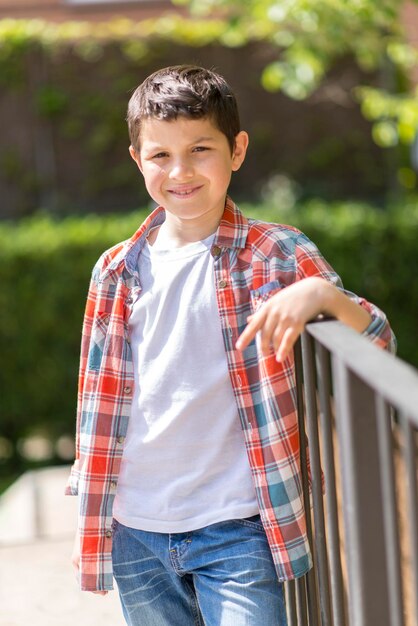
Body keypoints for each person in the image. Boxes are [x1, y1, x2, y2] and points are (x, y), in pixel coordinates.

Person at [67, 65, 395, 626]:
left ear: (237, 149)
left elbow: (377, 338)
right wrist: (94, 518)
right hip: (137, 529)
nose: (181, 171)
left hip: (238, 525)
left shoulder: (278, 253)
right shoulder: (116, 270)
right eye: (160, 155)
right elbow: (96, 399)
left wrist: (319, 292)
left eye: (200, 149)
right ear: (137, 159)